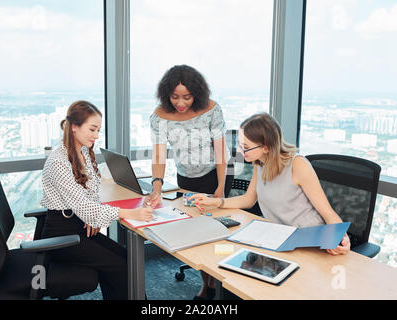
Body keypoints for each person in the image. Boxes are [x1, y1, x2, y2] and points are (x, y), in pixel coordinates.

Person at [190, 112, 350, 256]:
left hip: (309, 242)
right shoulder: (260, 163)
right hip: (279, 238)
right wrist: (215, 201)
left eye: (245, 147)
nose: (240, 152)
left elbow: (328, 213)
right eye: (240, 145)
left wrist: (339, 238)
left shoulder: (297, 165)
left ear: (266, 147)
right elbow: (248, 199)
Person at [40, 100, 153, 300]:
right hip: (61, 234)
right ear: (74, 126)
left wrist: (90, 217)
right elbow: (83, 205)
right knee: (118, 266)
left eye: (98, 130)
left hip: (78, 224)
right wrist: (129, 213)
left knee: (126, 258)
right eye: (92, 129)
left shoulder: (82, 151)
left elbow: (91, 191)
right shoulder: (59, 161)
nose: (96, 135)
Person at [145, 65, 233, 300]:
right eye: (175, 97)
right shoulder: (160, 116)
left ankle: (215, 283)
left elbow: (221, 151)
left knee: (214, 229)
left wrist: (221, 189)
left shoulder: (211, 110)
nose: (180, 102)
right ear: (167, 94)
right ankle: (207, 281)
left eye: (186, 96)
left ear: (197, 93)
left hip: (216, 174)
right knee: (195, 230)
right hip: (186, 176)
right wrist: (157, 187)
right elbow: (159, 155)